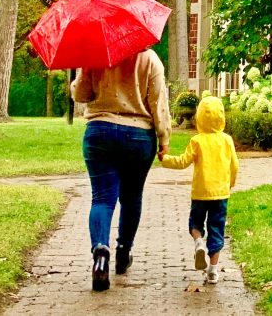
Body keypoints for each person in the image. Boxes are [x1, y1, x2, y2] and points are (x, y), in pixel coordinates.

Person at [71, 48, 171, 292]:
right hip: (138, 135)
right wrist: (164, 139)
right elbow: (158, 103)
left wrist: (79, 74)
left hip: (100, 132)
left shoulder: (94, 56)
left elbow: (81, 95)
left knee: (102, 199)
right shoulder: (150, 59)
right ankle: (123, 251)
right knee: (131, 197)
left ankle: (100, 250)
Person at [159, 95, 239, 284]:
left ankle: (198, 243)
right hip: (220, 194)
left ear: (199, 117)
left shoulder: (197, 141)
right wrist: (230, 183)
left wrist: (165, 159)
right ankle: (212, 270)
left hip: (200, 194)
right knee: (216, 229)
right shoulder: (227, 140)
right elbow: (234, 166)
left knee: (195, 224)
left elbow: (183, 162)